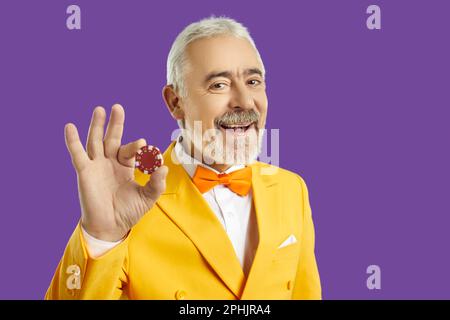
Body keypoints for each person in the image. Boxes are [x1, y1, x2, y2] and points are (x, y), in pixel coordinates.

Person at [45, 15, 321, 300]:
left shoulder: (293, 190)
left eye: (253, 81)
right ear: (175, 102)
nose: (245, 101)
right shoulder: (129, 203)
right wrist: (101, 235)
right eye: (219, 85)